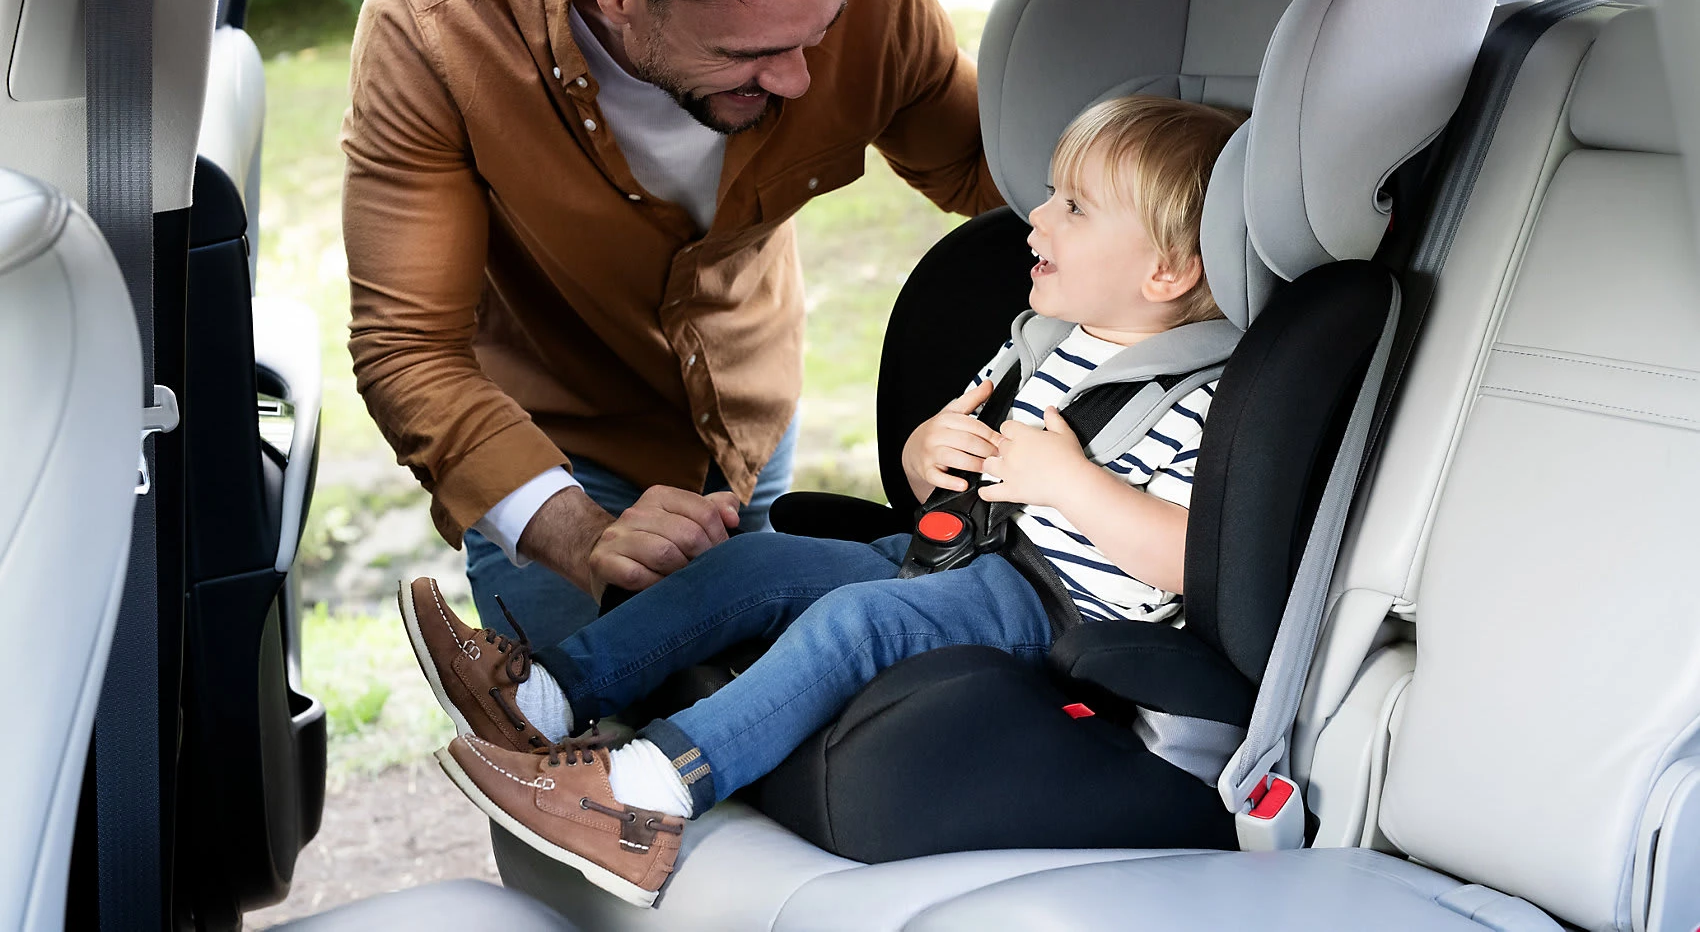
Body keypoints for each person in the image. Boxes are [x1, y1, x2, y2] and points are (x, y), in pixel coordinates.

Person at [341, 0, 1238, 648]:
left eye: (817, 35)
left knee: (740, 710)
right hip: (551, 444)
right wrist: (578, 532)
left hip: (745, 417)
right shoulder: (441, 19)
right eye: (750, 53)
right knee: (569, 727)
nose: (800, 80)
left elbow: (997, 176)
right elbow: (408, 346)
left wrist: (1154, 34)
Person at [398, 95, 1247, 905]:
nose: (1038, 216)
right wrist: (927, 453)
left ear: (1166, 271)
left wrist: (1073, 484)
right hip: (957, 555)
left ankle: (643, 798)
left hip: (1053, 609)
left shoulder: (1201, 400)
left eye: (1075, 208)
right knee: (752, 561)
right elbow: (942, 478)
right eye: (1053, 195)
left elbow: (1189, 561)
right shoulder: (1048, 340)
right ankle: (542, 696)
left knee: (859, 622)